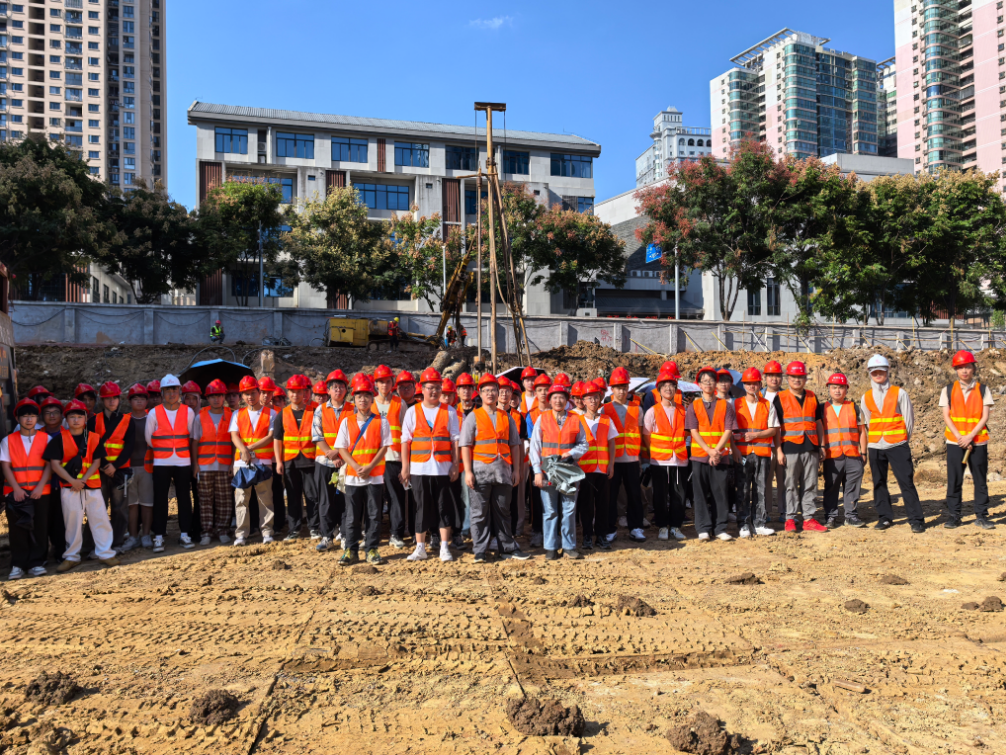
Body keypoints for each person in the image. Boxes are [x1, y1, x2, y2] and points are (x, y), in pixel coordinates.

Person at [44, 399, 119, 572]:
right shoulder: (59, 439)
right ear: (66, 419)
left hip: (91, 486)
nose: (76, 420)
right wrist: (73, 482)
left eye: (79, 416)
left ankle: (106, 553)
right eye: (72, 417)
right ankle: (72, 557)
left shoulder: (94, 438)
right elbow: (54, 465)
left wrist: (82, 480)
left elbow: (97, 461)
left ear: (85, 419)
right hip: (70, 488)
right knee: (72, 524)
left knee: (100, 519)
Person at [460, 374, 527, 562]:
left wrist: (516, 470)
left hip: (503, 473)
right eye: (486, 390)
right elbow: (465, 445)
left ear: (498, 393)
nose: (490, 393)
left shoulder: (507, 417)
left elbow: (515, 445)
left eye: (493, 390)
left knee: (503, 511)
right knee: (479, 513)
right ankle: (480, 551)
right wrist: (468, 472)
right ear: (480, 394)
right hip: (480, 473)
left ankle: (506, 548)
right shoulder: (473, 417)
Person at [400, 368, 461, 563]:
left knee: (444, 507)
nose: (433, 391)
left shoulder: (449, 411)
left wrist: (455, 464)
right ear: (423, 389)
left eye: (437, 387)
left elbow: (455, 440)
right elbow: (405, 441)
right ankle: (420, 548)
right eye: (429, 387)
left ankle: (444, 547)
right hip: (419, 468)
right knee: (421, 508)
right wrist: (405, 467)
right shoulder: (412, 411)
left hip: (443, 469)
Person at [860, 354, 924, 533]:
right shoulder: (866, 397)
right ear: (870, 373)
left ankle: (916, 519)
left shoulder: (900, 393)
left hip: (897, 445)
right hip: (875, 445)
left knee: (906, 482)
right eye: (874, 372)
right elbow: (867, 421)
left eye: (881, 371)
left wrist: (903, 440)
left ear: (888, 371)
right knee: (879, 482)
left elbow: (908, 419)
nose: (878, 374)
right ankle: (885, 517)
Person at [335, 374, 391, 566]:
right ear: (354, 399)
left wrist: (369, 467)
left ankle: (372, 549)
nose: (363, 399)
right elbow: (342, 448)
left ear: (372, 398)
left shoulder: (381, 422)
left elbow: (384, 447)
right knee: (352, 516)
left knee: (374, 515)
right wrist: (357, 466)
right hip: (353, 476)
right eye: (359, 396)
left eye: (367, 396)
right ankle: (351, 550)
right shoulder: (347, 421)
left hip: (374, 477)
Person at [529, 382, 588, 560]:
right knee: (550, 511)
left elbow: (584, 444)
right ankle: (551, 547)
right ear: (550, 400)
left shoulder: (575, 419)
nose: (558, 400)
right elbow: (535, 447)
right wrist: (537, 471)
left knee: (569, 510)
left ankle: (569, 546)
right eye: (554, 397)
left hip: (569, 470)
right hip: (548, 470)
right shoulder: (542, 418)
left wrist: (571, 453)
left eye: (561, 397)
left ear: (567, 400)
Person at [941, 350, 994, 529]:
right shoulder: (948, 390)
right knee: (954, 480)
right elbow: (946, 417)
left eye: (968, 366)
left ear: (973, 368)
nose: (964, 370)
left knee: (980, 480)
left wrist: (970, 436)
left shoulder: (983, 390)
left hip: (978, 441)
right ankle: (954, 516)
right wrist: (960, 437)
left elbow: (985, 416)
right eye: (960, 367)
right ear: (956, 370)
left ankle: (982, 516)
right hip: (955, 442)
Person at [2, 399, 54, 579]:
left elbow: (49, 465)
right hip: (15, 492)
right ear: (17, 419)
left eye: (32, 416)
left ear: (37, 418)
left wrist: (40, 487)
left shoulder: (46, 438)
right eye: (25, 416)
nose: (29, 419)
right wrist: (16, 489)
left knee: (40, 527)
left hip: (40, 491)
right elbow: (5, 466)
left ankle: (36, 563)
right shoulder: (8, 440)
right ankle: (18, 564)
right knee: (17, 529)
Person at [145, 374, 197, 553]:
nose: (172, 393)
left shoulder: (188, 412)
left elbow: (191, 435)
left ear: (179, 391)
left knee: (184, 498)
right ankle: (159, 536)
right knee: (160, 499)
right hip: (161, 461)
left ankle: (185, 534)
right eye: (168, 390)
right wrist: (163, 449)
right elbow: (149, 438)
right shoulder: (154, 413)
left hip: (183, 461)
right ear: (162, 393)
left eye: (174, 389)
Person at [773, 361, 827, 533]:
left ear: (805, 378)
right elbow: (775, 427)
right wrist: (778, 450)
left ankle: (809, 518)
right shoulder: (780, 398)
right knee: (790, 484)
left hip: (811, 446)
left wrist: (822, 445)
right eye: (793, 377)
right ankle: (790, 518)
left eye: (800, 377)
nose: (797, 380)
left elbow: (818, 423)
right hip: (789, 447)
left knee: (810, 484)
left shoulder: (812, 396)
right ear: (788, 378)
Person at [686, 366, 736, 541]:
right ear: (699, 384)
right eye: (704, 381)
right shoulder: (693, 406)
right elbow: (693, 431)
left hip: (721, 456)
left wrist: (716, 451)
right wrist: (709, 450)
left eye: (711, 380)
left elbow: (728, 430)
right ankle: (703, 528)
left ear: (716, 383)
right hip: (700, 455)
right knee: (700, 493)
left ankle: (720, 528)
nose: (708, 384)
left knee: (720, 492)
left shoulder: (725, 405)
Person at [642, 367, 689, 542]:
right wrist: (654, 453)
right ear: (659, 390)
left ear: (676, 389)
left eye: (671, 386)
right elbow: (646, 435)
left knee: (679, 494)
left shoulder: (683, 410)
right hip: (660, 462)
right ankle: (662, 526)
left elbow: (687, 433)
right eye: (665, 386)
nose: (668, 389)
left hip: (679, 461)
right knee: (660, 495)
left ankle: (675, 526)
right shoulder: (652, 411)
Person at [230, 376, 276, 546]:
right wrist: (243, 450)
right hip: (242, 464)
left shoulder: (271, 413)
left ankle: (267, 532)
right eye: (246, 394)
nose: (250, 397)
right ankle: (241, 534)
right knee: (241, 499)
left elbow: (270, 436)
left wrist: (248, 448)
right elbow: (234, 436)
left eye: (253, 392)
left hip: (263, 462)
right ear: (242, 396)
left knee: (265, 499)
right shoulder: (237, 414)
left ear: (259, 392)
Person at [89, 381, 135, 552]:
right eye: (108, 398)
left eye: (114, 397)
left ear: (119, 399)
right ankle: (98, 544)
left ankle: (116, 543)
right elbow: (91, 445)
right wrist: (104, 465)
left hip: (120, 471)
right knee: (98, 509)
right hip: (99, 471)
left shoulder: (128, 421)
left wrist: (114, 466)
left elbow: (129, 447)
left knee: (119, 509)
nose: (111, 401)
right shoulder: (93, 421)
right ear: (102, 400)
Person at [273, 374, 320, 541]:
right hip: (290, 462)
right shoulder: (282, 414)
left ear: (304, 393)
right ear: (288, 393)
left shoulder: (314, 412)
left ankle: (314, 528)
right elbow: (277, 439)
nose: (295, 395)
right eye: (292, 392)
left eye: (299, 392)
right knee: (293, 497)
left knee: (312, 496)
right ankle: (294, 529)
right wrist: (279, 461)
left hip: (310, 461)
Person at [733, 368, 778, 537]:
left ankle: (759, 523)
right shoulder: (736, 404)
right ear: (744, 385)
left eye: (755, 383)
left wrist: (756, 435)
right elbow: (730, 429)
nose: (752, 386)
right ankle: (744, 524)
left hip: (762, 454)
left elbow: (773, 429)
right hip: (743, 454)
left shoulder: (767, 405)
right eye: (748, 383)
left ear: (760, 384)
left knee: (761, 489)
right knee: (743, 489)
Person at [603, 367, 645, 542]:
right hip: (613, 460)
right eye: (618, 387)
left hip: (632, 458)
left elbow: (640, 434)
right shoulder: (605, 409)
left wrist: (641, 458)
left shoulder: (637, 409)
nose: (621, 391)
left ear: (628, 388)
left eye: (624, 387)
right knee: (611, 495)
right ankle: (610, 528)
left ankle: (636, 527)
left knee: (634, 494)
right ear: (612, 389)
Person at [820, 373, 867, 529]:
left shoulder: (854, 407)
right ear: (829, 388)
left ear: (846, 389)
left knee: (852, 488)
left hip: (853, 455)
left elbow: (862, 432)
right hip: (832, 457)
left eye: (841, 387)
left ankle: (851, 516)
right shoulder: (822, 409)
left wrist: (864, 453)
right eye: (834, 387)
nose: (837, 390)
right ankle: (830, 517)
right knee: (831, 488)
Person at [313, 370, 352, 552]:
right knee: (325, 500)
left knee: (345, 500)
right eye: (334, 387)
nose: (338, 390)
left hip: (346, 462)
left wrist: (339, 453)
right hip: (324, 461)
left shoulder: (353, 409)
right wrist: (331, 454)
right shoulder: (320, 410)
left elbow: (356, 435)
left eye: (341, 387)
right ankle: (327, 536)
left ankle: (344, 535)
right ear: (328, 390)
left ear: (346, 390)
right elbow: (317, 436)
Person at [373, 365, 409, 550]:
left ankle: (396, 534)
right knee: (374, 499)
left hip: (394, 458)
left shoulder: (400, 403)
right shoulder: (369, 403)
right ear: (376, 384)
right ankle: (373, 534)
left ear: (392, 383)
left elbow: (406, 434)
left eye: (387, 381)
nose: (384, 385)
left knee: (396, 498)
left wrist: (405, 464)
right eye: (381, 382)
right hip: (373, 460)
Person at [194, 379, 234, 545]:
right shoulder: (200, 417)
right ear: (207, 398)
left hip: (224, 465)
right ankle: (207, 532)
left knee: (224, 500)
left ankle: (223, 530)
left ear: (224, 397)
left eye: (219, 395)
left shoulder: (231, 415)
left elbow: (234, 441)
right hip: (204, 465)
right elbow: (195, 442)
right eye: (212, 396)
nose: (216, 399)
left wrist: (232, 463)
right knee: (205, 501)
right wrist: (195, 465)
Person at [578, 378, 616, 550]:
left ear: (600, 399)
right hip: (585, 469)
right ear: (583, 401)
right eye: (589, 398)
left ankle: (601, 536)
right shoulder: (578, 421)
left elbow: (612, 443)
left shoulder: (607, 420)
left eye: (596, 397)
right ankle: (587, 536)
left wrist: (612, 465)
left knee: (603, 504)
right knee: (586, 505)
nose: (593, 401)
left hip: (602, 469)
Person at [124, 383, 154, 549]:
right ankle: (133, 536)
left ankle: (146, 535)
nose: (139, 401)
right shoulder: (124, 421)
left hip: (147, 467)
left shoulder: (152, 418)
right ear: (130, 401)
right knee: (132, 504)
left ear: (147, 401)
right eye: (135, 398)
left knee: (147, 503)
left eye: (142, 398)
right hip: (129, 468)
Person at [497, 377, 527, 540]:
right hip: (493, 464)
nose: (504, 394)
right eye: (501, 391)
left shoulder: (518, 417)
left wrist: (519, 469)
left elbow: (520, 445)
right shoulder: (487, 414)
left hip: (511, 465)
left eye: (507, 391)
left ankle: (513, 533)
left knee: (512, 500)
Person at [39, 396, 67, 560]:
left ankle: (60, 551)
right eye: (47, 413)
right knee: (44, 520)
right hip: (41, 485)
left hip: (62, 483)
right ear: (42, 416)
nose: (51, 416)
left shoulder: (68, 434)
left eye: (55, 412)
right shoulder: (37, 435)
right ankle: (43, 553)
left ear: (62, 415)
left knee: (60, 519)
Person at [526, 372, 551, 547]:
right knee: (536, 499)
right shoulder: (531, 415)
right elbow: (531, 441)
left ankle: (553, 532)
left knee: (555, 500)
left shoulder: (559, 412)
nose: (543, 393)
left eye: (546, 389)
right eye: (540, 390)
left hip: (555, 463)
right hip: (537, 463)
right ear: (535, 393)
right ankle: (537, 531)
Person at [761, 361, 786, 523]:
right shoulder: (759, 396)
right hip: (765, 446)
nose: (774, 379)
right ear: (765, 377)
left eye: (777, 375)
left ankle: (785, 512)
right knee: (765, 481)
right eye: (771, 375)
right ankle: (766, 511)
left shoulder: (787, 396)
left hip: (784, 445)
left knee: (785, 480)